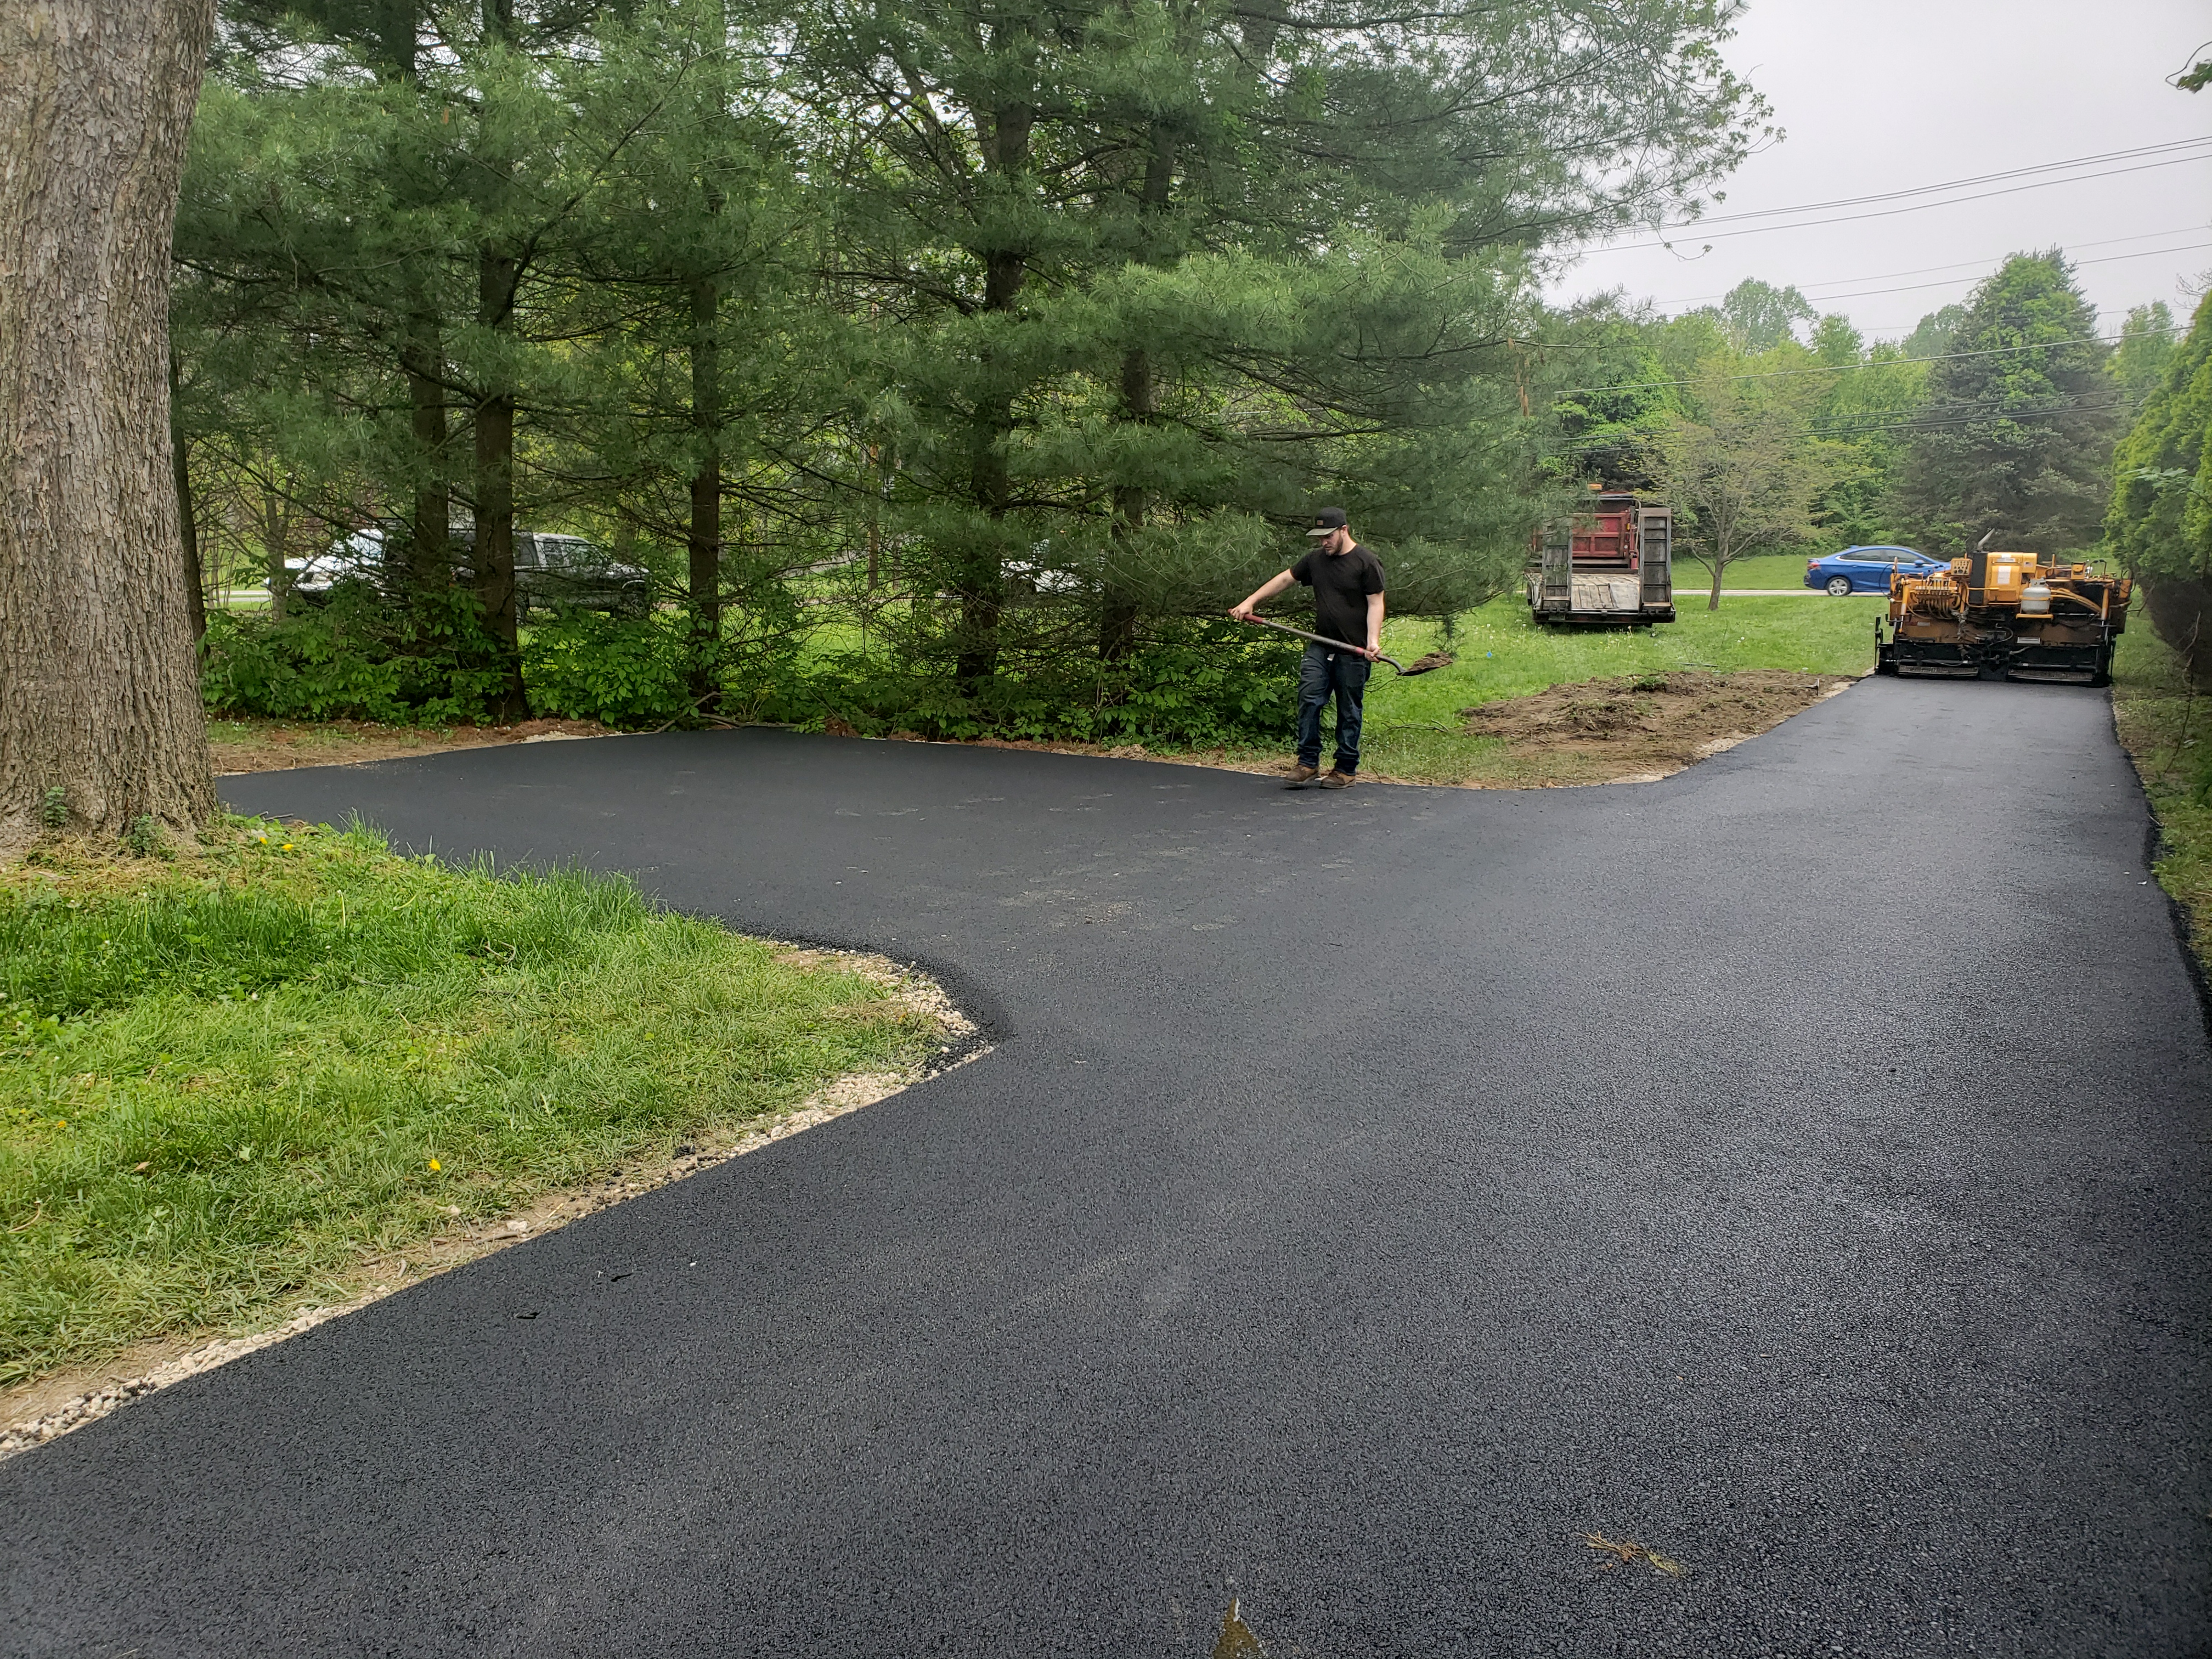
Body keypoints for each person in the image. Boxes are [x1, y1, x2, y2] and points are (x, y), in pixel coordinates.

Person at [1229, 507, 1385, 788]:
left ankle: (1345, 769)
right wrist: (1251, 601)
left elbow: (1376, 603)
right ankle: (1308, 763)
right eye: (1319, 537)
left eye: (1328, 536)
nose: (1323, 542)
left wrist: (1373, 641)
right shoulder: (1316, 560)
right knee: (1309, 698)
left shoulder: (1366, 562)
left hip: (1354, 650)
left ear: (1344, 531)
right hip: (1320, 646)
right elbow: (1286, 578)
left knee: (1349, 710)